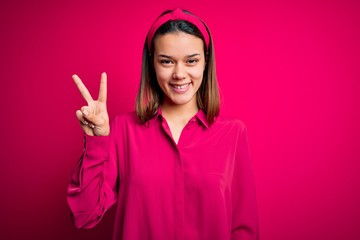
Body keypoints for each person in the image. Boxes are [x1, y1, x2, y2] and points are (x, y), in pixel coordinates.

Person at [67, 8, 259, 240]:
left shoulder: (233, 133)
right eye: (167, 61)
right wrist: (97, 142)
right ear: (152, 63)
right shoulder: (123, 130)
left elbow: (244, 228)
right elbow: (85, 215)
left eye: (191, 61)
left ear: (205, 62)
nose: (179, 73)